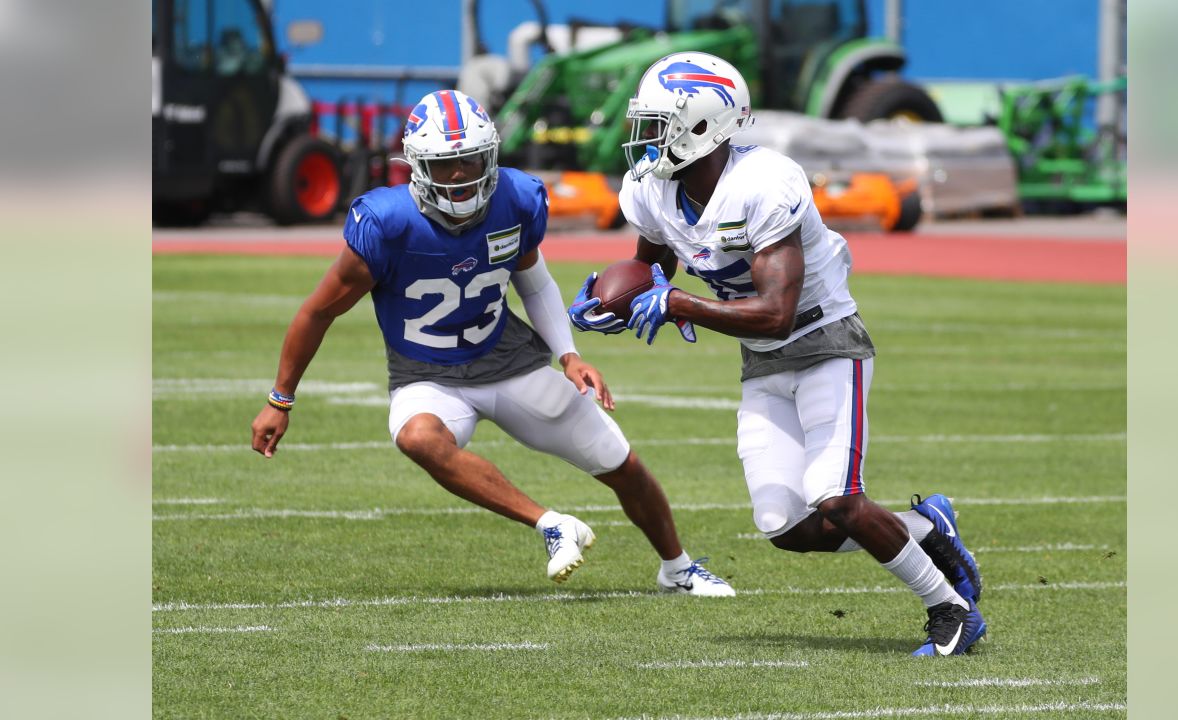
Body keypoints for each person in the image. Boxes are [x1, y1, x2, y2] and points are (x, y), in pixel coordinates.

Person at [569, 53, 985, 655]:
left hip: (824, 344)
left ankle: (949, 608)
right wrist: (617, 297)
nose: (648, 138)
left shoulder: (765, 183)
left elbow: (776, 311)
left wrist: (678, 304)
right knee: (785, 527)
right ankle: (929, 527)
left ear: (704, 126)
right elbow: (653, 263)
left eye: (661, 123)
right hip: (763, 360)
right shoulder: (653, 188)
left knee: (836, 497)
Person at [250, 89, 734, 597]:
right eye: (445, 164)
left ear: (491, 155)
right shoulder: (386, 224)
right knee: (417, 437)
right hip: (426, 377)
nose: (460, 175)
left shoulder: (515, 199)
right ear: (417, 166)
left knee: (620, 463)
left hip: (508, 365)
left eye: (469, 160)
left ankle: (677, 569)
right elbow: (318, 311)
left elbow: (535, 281)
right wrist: (280, 400)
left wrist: (569, 356)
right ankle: (551, 524)